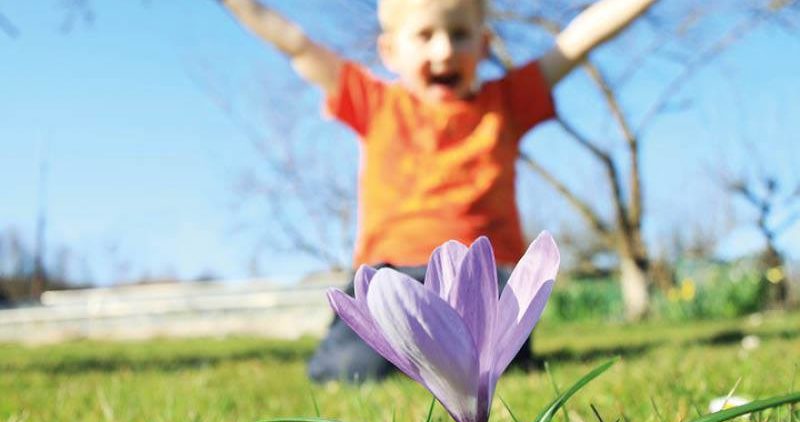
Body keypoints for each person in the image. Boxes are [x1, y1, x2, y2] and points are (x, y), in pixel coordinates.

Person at [220, 0, 656, 382]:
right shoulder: (374, 104)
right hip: (393, 276)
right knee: (352, 369)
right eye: (425, 35)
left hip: (484, 284)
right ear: (389, 50)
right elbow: (296, 44)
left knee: (490, 370)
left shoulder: (506, 103)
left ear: (485, 45)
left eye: (460, 34)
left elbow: (577, 41)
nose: (445, 49)